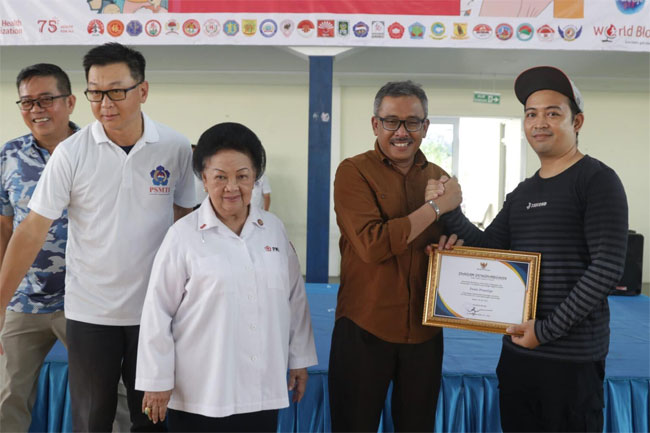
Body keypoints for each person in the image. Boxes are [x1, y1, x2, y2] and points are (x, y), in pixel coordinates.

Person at [0, 42, 195, 432]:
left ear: (143, 90)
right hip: (89, 313)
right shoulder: (71, 153)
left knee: (150, 420)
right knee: (91, 421)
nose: (105, 103)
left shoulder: (174, 147)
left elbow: (186, 221)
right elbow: (31, 230)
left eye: (117, 91)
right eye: (96, 92)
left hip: (154, 312)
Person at [436, 66, 628, 432]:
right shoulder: (522, 192)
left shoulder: (597, 180)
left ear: (577, 121)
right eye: (531, 114)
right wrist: (449, 210)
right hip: (518, 352)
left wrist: (545, 330)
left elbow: (606, 268)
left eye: (553, 113)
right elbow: (489, 248)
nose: (539, 123)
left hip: (571, 360)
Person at [136, 122, 317, 432]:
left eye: (242, 176)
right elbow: (158, 311)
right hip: (200, 391)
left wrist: (299, 359)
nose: (232, 187)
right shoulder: (183, 235)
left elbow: (294, 299)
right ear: (204, 179)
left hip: (261, 388)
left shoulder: (273, 229)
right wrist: (157, 380)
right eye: (220, 177)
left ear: (255, 179)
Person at [329, 80, 461, 432]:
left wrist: (453, 247)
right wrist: (435, 208)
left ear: (425, 127)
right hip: (365, 324)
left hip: (424, 331)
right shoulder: (353, 171)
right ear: (376, 124)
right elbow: (372, 245)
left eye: (412, 122)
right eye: (391, 121)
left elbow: (453, 238)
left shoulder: (439, 178)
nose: (402, 132)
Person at [0, 63, 77, 432]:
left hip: (83, 300)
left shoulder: (93, 151)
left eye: (46, 99)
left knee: (107, 394)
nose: (36, 109)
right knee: (7, 398)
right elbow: (4, 226)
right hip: (22, 300)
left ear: (70, 102)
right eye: (27, 102)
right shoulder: (9, 155)